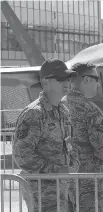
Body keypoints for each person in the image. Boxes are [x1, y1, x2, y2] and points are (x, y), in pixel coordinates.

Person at [13, 58, 80, 212]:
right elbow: (22, 155)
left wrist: (73, 166)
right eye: (61, 78)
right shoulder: (34, 114)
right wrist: (56, 170)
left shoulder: (63, 111)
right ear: (45, 83)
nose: (66, 82)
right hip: (42, 194)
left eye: (68, 78)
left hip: (65, 190)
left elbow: (70, 145)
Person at [61, 62, 103, 212]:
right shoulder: (90, 109)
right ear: (86, 80)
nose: (98, 84)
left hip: (63, 181)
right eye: (96, 79)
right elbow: (102, 148)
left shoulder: (58, 105)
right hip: (88, 184)